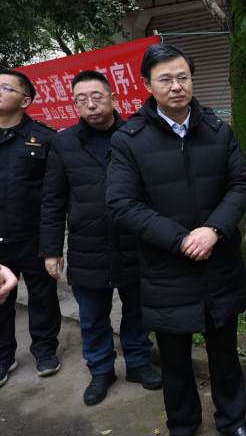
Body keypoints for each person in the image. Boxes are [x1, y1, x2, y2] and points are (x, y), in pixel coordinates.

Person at [106, 44, 246, 436]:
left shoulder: (217, 130)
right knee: (174, 360)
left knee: (224, 352)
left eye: (183, 77)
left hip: (218, 262)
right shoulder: (129, 139)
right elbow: (122, 204)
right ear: (147, 84)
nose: (176, 86)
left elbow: (241, 184)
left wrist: (214, 230)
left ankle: (233, 421)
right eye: (165, 79)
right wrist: (181, 240)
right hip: (166, 269)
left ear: (192, 79)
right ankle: (184, 425)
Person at [39, 70, 161, 405]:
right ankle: (101, 370)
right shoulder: (63, 142)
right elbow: (53, 200)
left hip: (135, 240)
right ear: (75, 105)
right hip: (87, 245)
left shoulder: (137, 132)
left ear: (113, 98)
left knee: (138, 311)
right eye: (81, 99)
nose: (90, 105)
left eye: (97, 97)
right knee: (92, 317)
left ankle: (138, 364)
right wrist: (51, 249)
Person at [0, 69, 62, 389]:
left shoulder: (46, 138)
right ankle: (3, 356)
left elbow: (56, 195)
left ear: (25, 101)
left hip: (35, 237)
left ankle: (45, 351)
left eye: (4, 88)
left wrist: (52, 244)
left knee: (43, 298)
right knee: (0, 300)